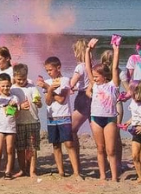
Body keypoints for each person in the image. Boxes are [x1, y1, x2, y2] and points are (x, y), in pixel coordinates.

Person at [82, 37, 122, 182]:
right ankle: (102, 176)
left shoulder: (113, 84)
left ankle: (114, 177)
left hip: (110, 118)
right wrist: (88, 50)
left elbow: (116, 67)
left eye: (97, 76)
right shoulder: (95, 85)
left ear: (104, 76)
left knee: (110, 150)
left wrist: (116, 49)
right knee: (100, 148)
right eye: (93, 77)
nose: (94, 78)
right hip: (96, 119)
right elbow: (88, 67)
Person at [43, 56, 80, 179]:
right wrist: (49, 90)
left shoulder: (65, 80)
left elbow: (61, 99)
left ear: (58, 68)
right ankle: (61, 172)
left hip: (64, 115)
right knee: (56, 144)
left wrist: (49, 89)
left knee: (69, 143)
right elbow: (48, 102)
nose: (49, 72)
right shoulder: (48, 83)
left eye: (50, 70)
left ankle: (76, 172)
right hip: (51, 117)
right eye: (47, 70)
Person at [11, 64, 42, 180]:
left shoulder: (32, 87)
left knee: (32, 147)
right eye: (19, 79)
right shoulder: (12, 89)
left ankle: (32, 170)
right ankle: (22, 169)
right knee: (20, 148)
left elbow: (39, 104)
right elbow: (9, 109)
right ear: (14, 77)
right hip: (18, 122)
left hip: (33, 121)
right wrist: (19, 106)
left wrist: (38, 103)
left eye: (23, 79)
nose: (21, 81)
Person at [0, 74, 20, 179]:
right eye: (3, 86)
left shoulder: (14, 98)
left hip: (11, 128)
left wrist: (15, 107)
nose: (5, 88)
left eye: (7, 86)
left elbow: (16, 115)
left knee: (10, 149)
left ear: (11, 85)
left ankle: (8, 171)